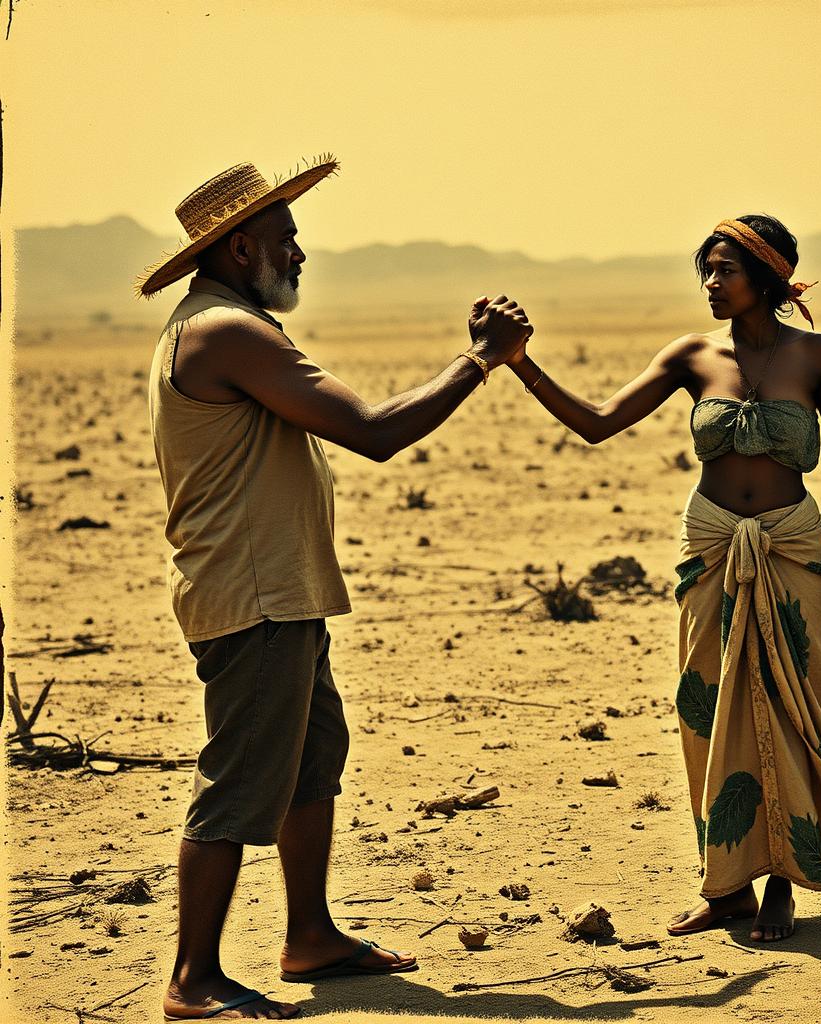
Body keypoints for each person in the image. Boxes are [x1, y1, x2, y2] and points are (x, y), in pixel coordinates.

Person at [139, 157, 532, 1021]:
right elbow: (372, 431)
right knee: (242, 779)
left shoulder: (224, 322)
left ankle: (309, 936)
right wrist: (481, 360)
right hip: (253, 598)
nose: (301, 253)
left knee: (312, 762)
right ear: (241, 247)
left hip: (283, 593)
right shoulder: (225, 332)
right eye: (286, 240)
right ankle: (193, 980)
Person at [497, 213, 821, 943]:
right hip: (711, 547)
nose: (711, 284)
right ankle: (728, 886)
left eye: (726, 271)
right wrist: (521, 361)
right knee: (709, 714)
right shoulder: (691, 355)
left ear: (769, 277)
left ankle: (786, 881)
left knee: (797, 704)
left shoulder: (817, 355)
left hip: (792, 548)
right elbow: (596, 423)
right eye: (705, 272)